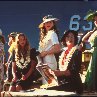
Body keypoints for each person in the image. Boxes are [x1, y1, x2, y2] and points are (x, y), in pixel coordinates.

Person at [48, 30, 83, 95]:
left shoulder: (77, 52)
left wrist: (60, 73)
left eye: (72, 37)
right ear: (64, 39)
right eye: (67, 37)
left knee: (50, 91)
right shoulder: (62, 53)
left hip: (74, 83)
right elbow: (61, 69)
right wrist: (53, 72)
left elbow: (75, 70)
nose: (70, 39)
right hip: (63, 82)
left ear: (75, 39)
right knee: (47, 89)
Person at [38, 15, 61, 84]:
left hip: (50, 61)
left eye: (50, 22)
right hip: (43, 62)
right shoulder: (45, 35)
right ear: (44, 24)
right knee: (46, 83)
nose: (48, 24)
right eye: (46, 22)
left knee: (50, 83)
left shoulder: (52, 33)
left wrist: (46, 52)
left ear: (53, 23)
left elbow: (57, 48)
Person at [82, 10, 97, 92]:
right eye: (94, 20)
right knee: (92, 71)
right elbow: (84, 40)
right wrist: (90, 32)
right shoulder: (94, 32)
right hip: (94, 54)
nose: (96, 21)